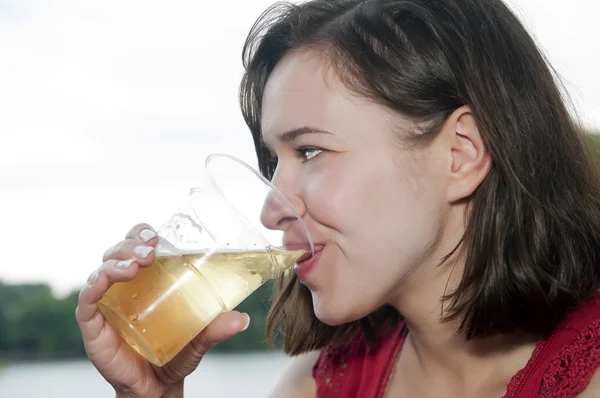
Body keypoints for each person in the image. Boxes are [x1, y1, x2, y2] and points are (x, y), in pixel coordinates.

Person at [75, 0, 600, 396]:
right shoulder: (315, 386)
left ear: (460, 154)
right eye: (273, 162)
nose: (270, 207)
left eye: (309, 151)